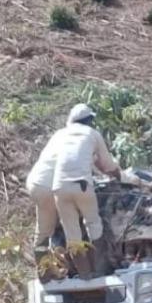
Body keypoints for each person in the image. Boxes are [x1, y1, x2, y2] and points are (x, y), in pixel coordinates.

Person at [50, 103, 121, 248]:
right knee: (93, 223)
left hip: (59, 186)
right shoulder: (92, 133)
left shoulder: (60, 134)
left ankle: (84, 270)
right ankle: (99, 264)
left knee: (72, 233)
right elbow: (107, 164)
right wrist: (117, 175)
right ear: (89, 120)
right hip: (81, 185)